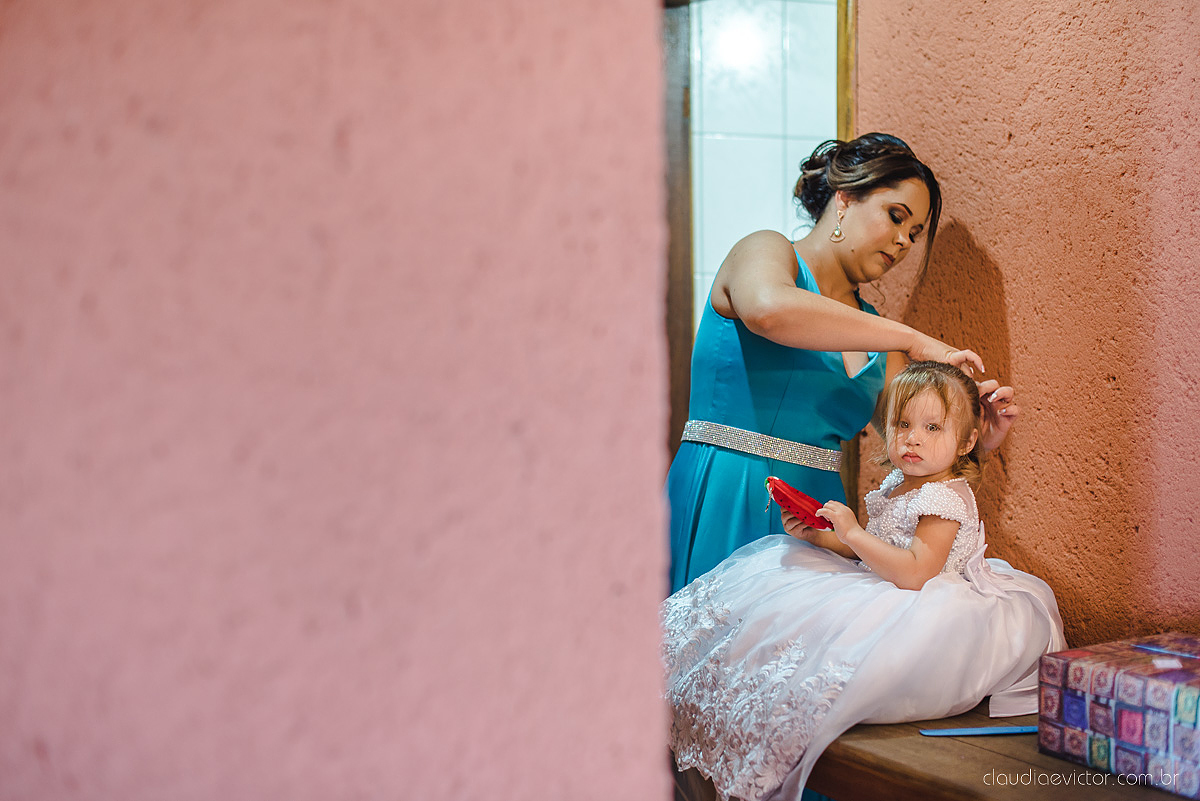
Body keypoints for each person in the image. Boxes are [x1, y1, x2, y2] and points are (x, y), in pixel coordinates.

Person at [662, 361, 1065, 801]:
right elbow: (874, 550)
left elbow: (916, 572)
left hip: (927, 602)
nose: (912, 438)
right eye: (903, 424)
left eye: (932, 427)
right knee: (782, 581)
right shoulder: (899, 482)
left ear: (968, 441)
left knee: (852, 651)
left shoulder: (944, 497)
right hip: (882, 581)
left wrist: (853, 532)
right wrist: (822, 537)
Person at [667, 132, 1020, 593]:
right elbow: (768, 309)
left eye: (914, 234)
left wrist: (973, 439)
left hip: (819, 521)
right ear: (846, 198)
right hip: (727, 492)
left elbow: (914, 441)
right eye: (896, 217)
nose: (903, 241)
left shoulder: (877, 337)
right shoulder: (766, 250)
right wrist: (911, 338)